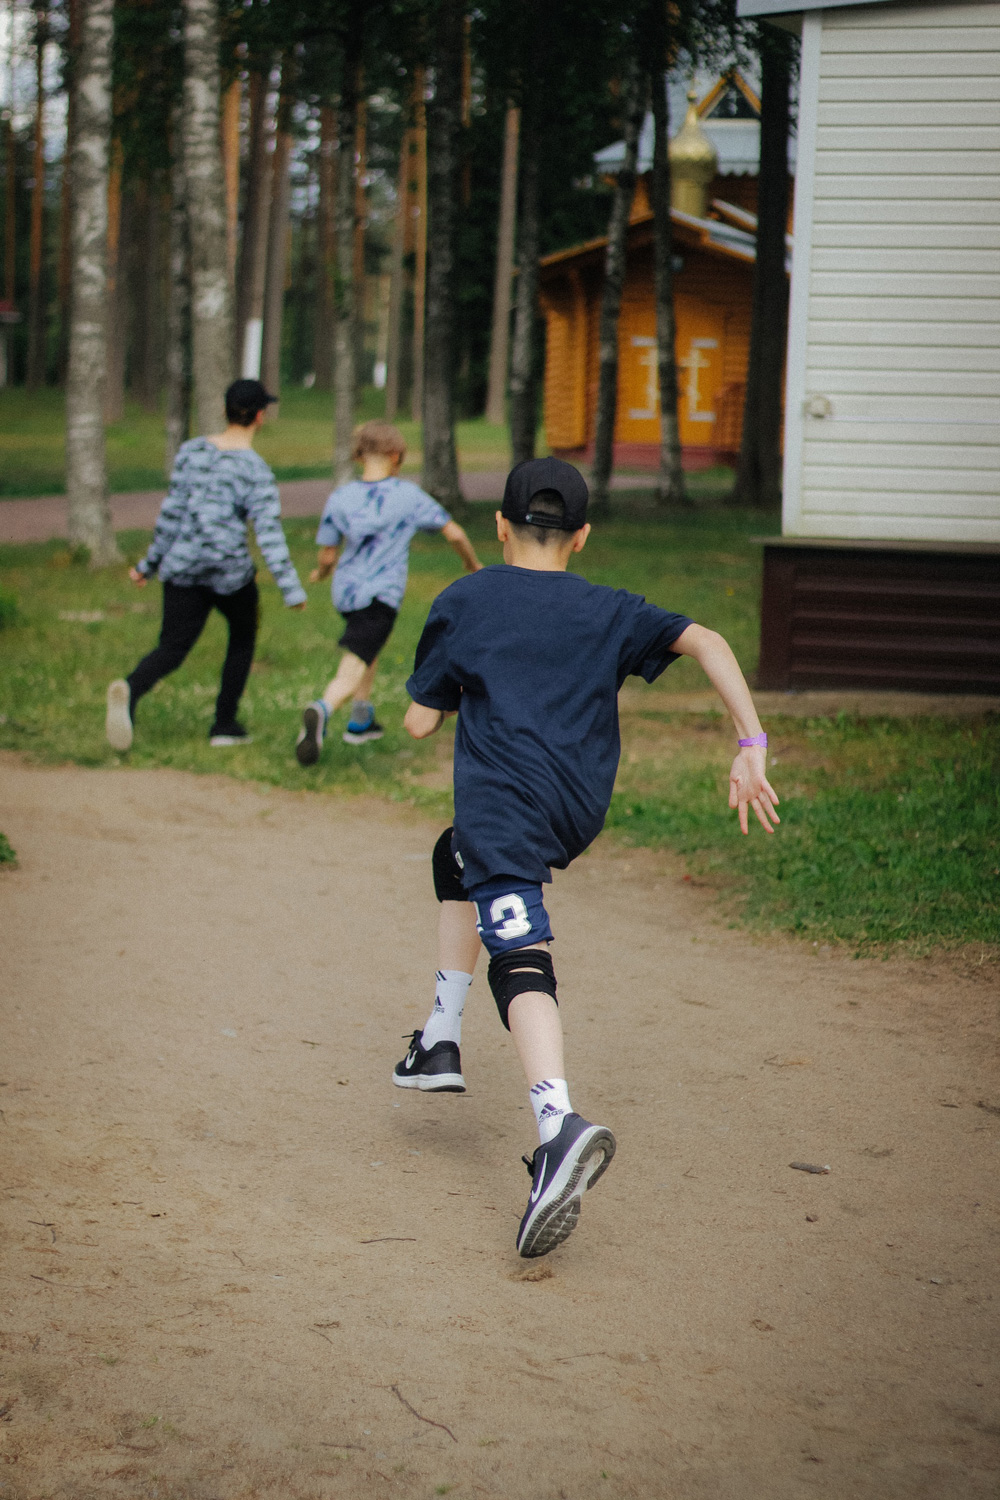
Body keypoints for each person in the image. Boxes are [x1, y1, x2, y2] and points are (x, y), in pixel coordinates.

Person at [393, 457, 780, 1259]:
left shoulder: (465, 598)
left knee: (518, 946)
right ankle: (438, 1037)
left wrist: (453, 692)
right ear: (584, 535)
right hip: (572, 811)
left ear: (499, 526)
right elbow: (705, 639)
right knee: (451, 853)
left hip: (507, 810)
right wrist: (751, 743)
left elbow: (420, 725)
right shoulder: (611, 608)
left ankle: (557, 1126)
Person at [105, 378, 306, 752]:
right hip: (230, 573)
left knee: (172, 647)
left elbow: (171, 515)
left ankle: (130, 691)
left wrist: (148, 566)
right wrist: (291, 588)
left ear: (226, 411)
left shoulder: (191, 452)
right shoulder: (256, 469)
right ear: (260, 416)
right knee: (242, 637)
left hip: (183, 568)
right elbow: (268, 533)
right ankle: (224, 724)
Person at [294, 420, 481, 765]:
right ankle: (322, 708)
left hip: (346, 594)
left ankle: (360, 720)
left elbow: (327, 554)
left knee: (368, 649)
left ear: (359, 455)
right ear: (396, 456)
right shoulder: (407, 496)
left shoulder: (342, 496)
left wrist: (321, 573)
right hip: (380, 596)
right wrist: (473, 565)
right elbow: (454, 533)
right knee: (354, 663)